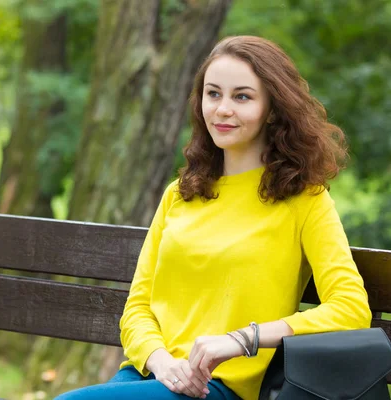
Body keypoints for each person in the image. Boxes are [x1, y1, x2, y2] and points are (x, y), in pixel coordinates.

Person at [55, 35, 371, 400]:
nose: (222, 109)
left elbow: (350, 308)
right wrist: (162, 363)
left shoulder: (304, 199)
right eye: (213, 93)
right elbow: (138, 308)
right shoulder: (180, 193)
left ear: (271, 109)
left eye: (242, 96)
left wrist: (243, 339)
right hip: (152, 376)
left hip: (221, 388)